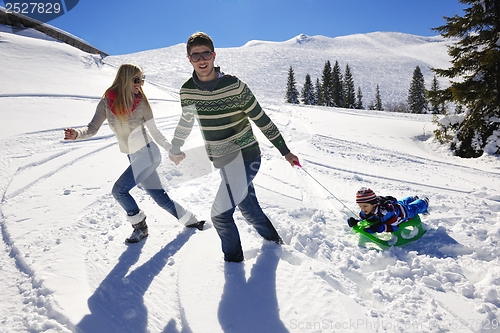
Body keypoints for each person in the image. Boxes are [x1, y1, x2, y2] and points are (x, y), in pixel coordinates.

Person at [169, 32, 300, 262]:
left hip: (246, 156)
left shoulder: (235, 86)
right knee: (248, 207)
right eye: (195, 55)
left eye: (206, 54)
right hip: (223, 160)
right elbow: (186, 120)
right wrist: (176, 146)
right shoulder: (187, 91)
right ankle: (275, 243)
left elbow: (262, 119)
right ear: (189, 59)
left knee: (220, 215)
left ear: (214, 55)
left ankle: (233, 264)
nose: (201, 60)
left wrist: (285, 151)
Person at [64, 63, 204, 244]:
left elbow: (156, 133)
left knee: (119, 190)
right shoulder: (107, 102)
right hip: (133, 156)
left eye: (142, 80)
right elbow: (92, 128)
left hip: (148, 153)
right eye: (137, 80)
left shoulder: (142, 103)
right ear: (124, 79)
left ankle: (140, 227)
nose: (141, 84)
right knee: (160, 198)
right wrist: (77, 134)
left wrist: (172, 149)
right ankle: (191, 221)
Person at [347, 187, 429, 233]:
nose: (362, 208)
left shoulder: (386, 213)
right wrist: (356, 221)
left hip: (401, 213)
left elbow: (395, 226)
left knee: (413, 208)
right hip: (393, 205)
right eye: (360, 206)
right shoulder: (367, 210)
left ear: (373, 204)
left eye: (365, 206)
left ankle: (423, 202)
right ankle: (412, 198)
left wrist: (380, 228)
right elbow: (365, 218)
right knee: (400, 202)